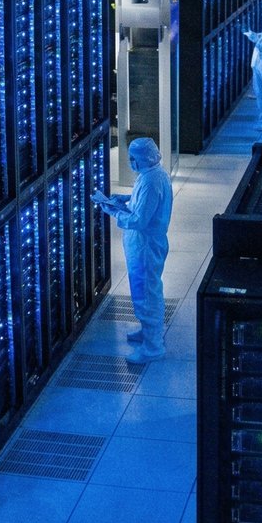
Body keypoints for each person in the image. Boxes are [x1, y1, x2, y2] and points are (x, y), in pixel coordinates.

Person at [92, 137, 173, 364]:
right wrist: (124, 199)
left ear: (144, 158)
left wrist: (112, 210)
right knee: (147, 290)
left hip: (145, 245)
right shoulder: (153, 174)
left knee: (146, 293)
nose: (130, 162)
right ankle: (149, 332)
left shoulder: (150, 181)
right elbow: (142, 203)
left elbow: (139, 220)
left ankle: (152, 347)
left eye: (133, 158)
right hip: (145, 244)